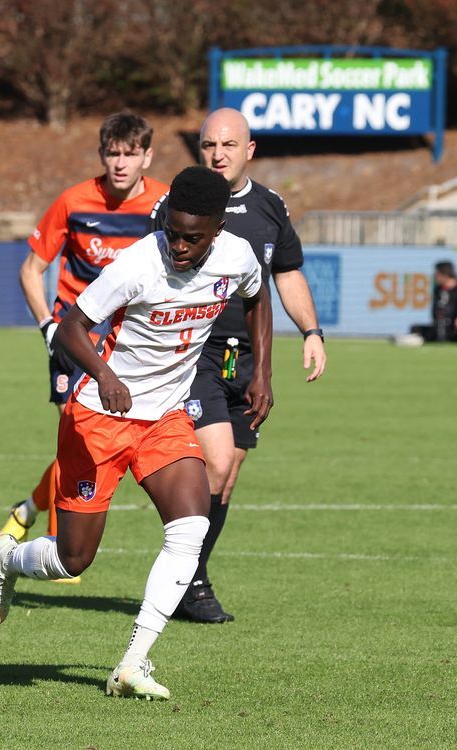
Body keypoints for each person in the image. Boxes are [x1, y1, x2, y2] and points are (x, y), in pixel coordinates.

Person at [0, 166, 273, 701]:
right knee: (74, 559)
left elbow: (258, 298)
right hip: (97, 417)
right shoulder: (138, 263)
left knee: (190, 529)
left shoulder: (237, 255)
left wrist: (262, 374)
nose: (180, 246)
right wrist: (105, 375)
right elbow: (71, 327)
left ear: (216, 229)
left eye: (194, 237)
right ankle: (8, 558)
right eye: (175, 232)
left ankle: (133, 663)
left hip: (164, 418)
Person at [148, 108, 327, 623]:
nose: (218, 154)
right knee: (217, 461)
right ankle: (185, 577)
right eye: (208, 145)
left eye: (228, 145)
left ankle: (187, 578)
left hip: (249, 357)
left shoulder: (271, 207)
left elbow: (287, 275)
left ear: (250, 150)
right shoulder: (173, 206)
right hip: (193, 351)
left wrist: (311, 332)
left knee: (227, 476)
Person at [0, 112, 169, 571]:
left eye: (131, 154)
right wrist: (49, 327)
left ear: (147, 156)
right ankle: (55, 543)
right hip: (77, 342)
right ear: (102, 155)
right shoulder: (74, 201)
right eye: (113, 153)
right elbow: (30, 270)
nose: (121, 164)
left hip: (136, 346)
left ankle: (28, 510)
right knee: (80, 443)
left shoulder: (165, 204)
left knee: (120, 443)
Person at [394, 261, 457, 345]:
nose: (435, 276)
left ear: (445, 274)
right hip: (440, 326)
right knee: (416, 328)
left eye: (437, 273)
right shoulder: (438, 289)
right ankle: (416, 338)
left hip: (453, 327)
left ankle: (418, 339)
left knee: (440, 334)